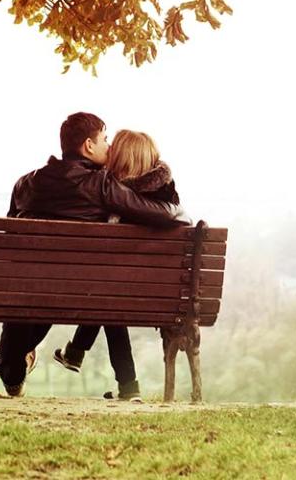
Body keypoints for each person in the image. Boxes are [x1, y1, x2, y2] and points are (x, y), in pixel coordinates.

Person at [0, 112, 182, 397]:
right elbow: (162, 214)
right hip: (79, 291)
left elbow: (11, 236)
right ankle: (9, 362)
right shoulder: (101, 186)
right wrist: (167, 187)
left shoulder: (24, 184)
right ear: (88, 146)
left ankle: (8, 363)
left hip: (28, 288)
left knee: (34, 292)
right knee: (95, 285)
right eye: (105, 139)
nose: (109, 147)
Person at [50, 130, 181, 399]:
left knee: (108, 297)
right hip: (162, 296)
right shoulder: (168, 200)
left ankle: (88, 360)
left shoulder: (114, 196)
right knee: (110, 296)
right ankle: (116, 380)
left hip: (119, 292)